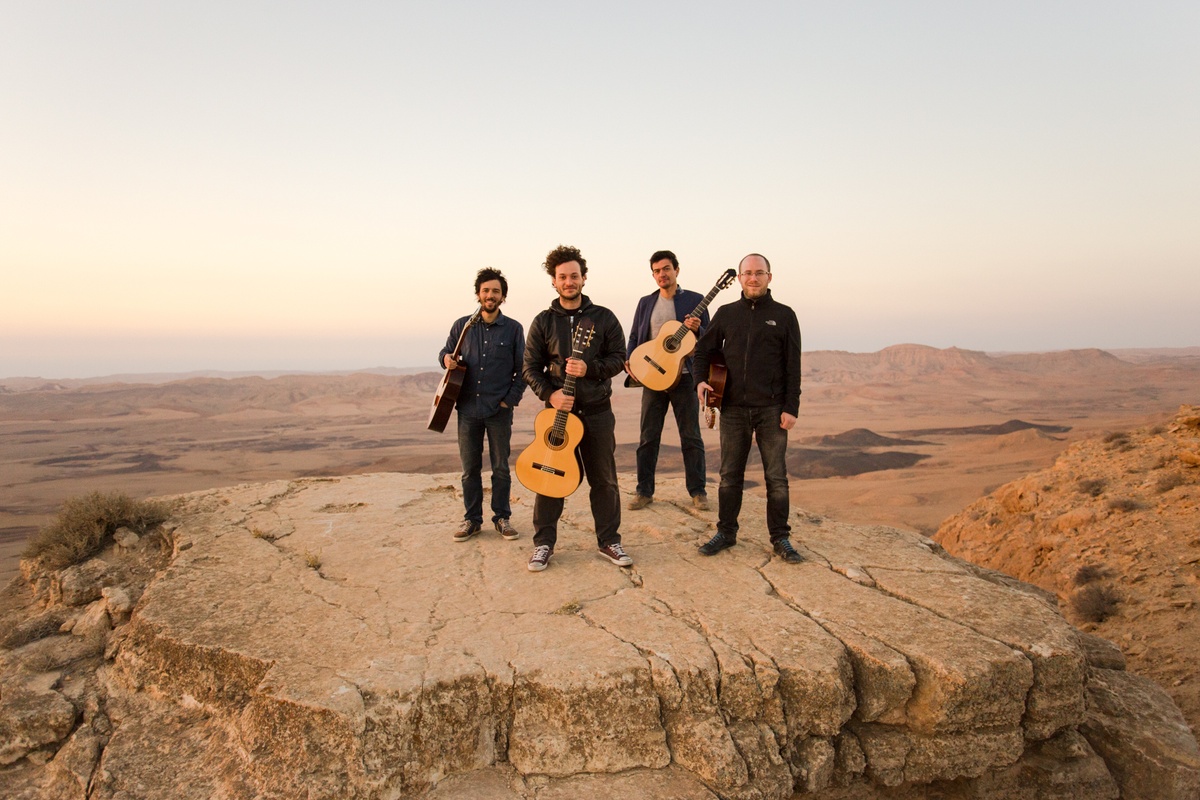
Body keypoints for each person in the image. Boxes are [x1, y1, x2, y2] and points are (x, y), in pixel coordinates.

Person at [522, 245, 631, 572]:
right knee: (549, 478)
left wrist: (590, 369)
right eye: (562, 277)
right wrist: (550, 394)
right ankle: (543, 543)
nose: (569, 282)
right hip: (559, 415)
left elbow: (619, 359)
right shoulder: (543, 322)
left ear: (584, 278)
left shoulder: (604, 317)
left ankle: (609, 540)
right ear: (554, 281)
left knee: (604, 479)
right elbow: (530, 367)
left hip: (597, 412)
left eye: (574, 276)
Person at [692, 254, 805, 563]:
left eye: (759, 273)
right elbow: (703, 350)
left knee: (776, 478)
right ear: (740, 278)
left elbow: (793, 365)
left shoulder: (784, 315)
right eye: (748, 273)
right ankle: (726, 533)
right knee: (730, 476)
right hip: (733, 409)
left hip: (772, 410)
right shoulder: (726, 313)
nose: (753, 278)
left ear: (770, 277)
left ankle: (780, 538)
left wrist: (791, 407)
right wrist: (700, 381)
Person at [439, 268, 526, 542]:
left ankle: (502, 518)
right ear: (478, 294)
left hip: (498, 410)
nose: (490, 295)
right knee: (470, 470)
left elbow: (523, 370)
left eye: (496, 291)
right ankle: (472, 520)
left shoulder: (514, 329)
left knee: (500, 468)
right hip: (467, 409)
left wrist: (509, 401)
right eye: (486, 290)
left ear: (503, 297)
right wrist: (445, 359)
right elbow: (445, 352)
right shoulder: (462, 326)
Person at [625, 250, 709, 511]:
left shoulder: (695, 300)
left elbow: (709, 339)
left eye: (666, 269)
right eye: (657, 271)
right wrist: (630, 360)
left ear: (676, 270)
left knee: (691, 436)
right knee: (648, 437)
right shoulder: (645, 302)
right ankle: (644, 491)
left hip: (684, 378)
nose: (662, 274)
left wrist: (698, 329)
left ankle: (698, 491)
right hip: (652, 378)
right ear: (653, 275)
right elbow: (635, 336)